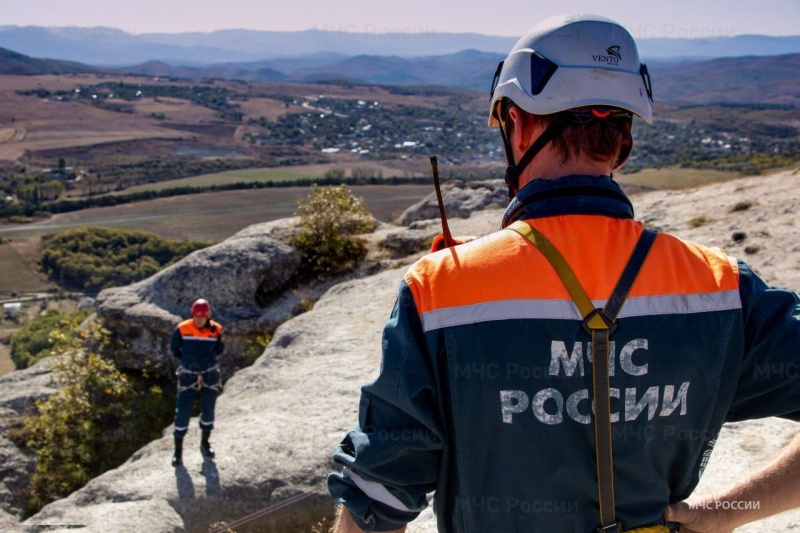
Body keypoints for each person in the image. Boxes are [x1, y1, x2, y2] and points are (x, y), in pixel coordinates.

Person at [327, 13, 800, 533]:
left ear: (520, 124)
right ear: (622, 140)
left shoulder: (441, 292)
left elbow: (379, 497)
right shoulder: (721, 287)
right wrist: (721, 514)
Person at [170, 298, 224, 467]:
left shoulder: (216, 330)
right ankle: (178, 453)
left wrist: (205, 363)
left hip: (209, 373)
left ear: (208, 315)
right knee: (182, 411)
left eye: (202, 316)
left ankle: (205, 444)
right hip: (188, 374)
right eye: (196, 316)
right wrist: (188, 362)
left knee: (208, 409)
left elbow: (219, 349)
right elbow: (174, 349)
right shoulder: (182, 328)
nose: (199, 320)